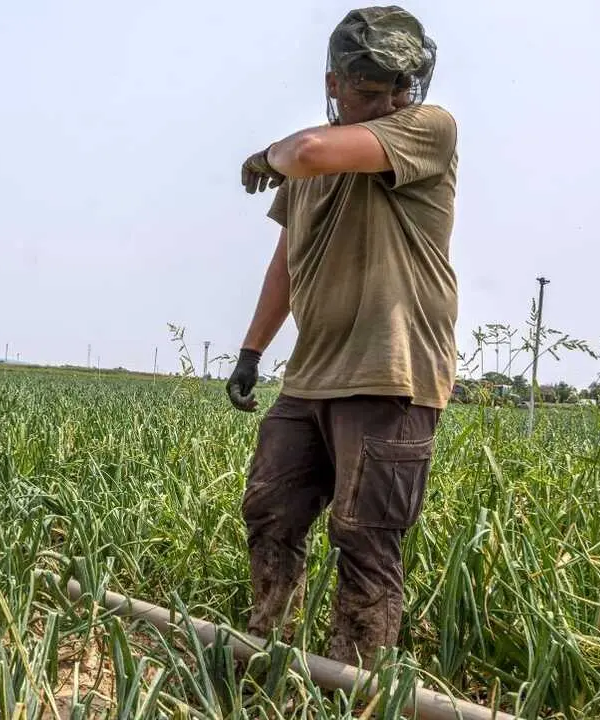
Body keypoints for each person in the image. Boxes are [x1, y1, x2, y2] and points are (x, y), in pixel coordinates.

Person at [226, 5, 458, 667]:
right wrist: (251, 351)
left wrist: (266, 155)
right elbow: (286, 260)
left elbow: (303, 151)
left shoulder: (426, 130)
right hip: (312, 373)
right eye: (368, 90)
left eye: (398, 87)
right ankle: (265, 651)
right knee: (270, 507)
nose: (387, 101)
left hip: (391, 372)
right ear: (333, 84)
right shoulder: (309, 172)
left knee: (365, 535)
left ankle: (353, 685)